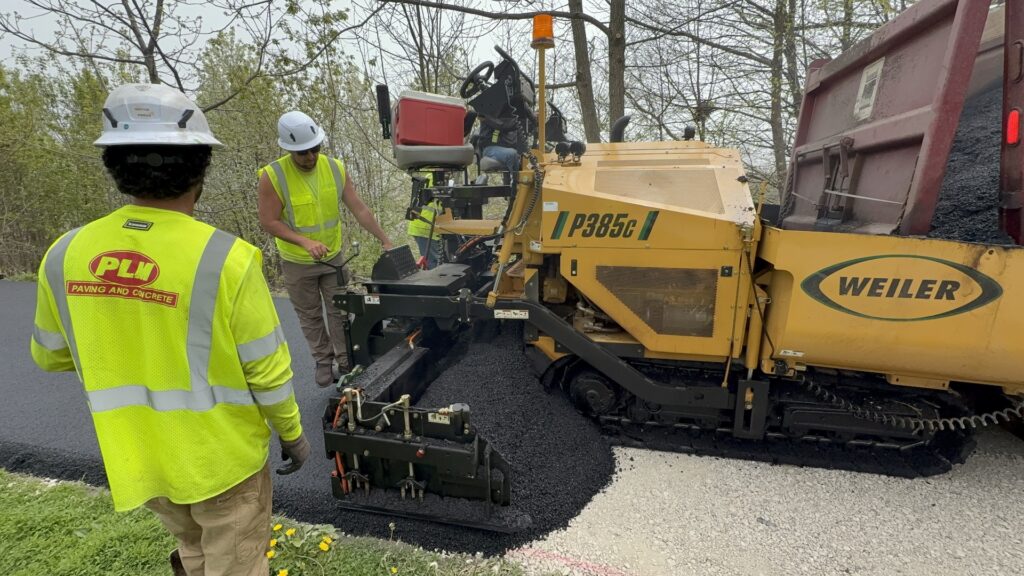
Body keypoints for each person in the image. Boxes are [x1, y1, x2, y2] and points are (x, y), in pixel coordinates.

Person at [30, 84, 307, 576]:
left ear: (113, 166)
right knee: (236, 564)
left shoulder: (65, 253)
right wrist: (292, 435)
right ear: (201, 168)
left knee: (194, 552)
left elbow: (51, 354)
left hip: (140, 456)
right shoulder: (228, 258)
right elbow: (267, 373)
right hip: (222, 462)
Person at [257, 111, 394, 387]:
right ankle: (322, 360)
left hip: (333, 259)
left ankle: (344, 364)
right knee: (309, 314)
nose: (310, 157)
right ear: (288, 149)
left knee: (339, 312)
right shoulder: (273, 176)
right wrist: (304, 242)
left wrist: (384, 238)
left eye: (315, 150)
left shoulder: (334, 168)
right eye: (303, 153)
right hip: (297, 261)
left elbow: (359, 209)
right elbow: (268, 221)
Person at [407, 174, 443, 270]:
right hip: (425, 228)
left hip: (427, 227)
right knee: (434, 263)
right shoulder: (437, 179)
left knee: (436, 261)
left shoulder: (430, 176)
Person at [478, 112, 522, 177]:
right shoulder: (486, 112)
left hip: (501, 149)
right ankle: (516, 183)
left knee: (523, 159)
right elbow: (501, 125)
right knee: (512, 154)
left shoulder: (506, 115)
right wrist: (519, 121)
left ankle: (510, 184)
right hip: (489, 149)